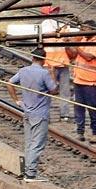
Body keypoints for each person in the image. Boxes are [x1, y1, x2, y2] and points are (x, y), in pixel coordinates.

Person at [6, 48, 57, 181]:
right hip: (40, 114)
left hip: (27, 112)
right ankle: (31, 173)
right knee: (37, 144)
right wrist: (52, 74)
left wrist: (16, 100)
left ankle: (27, 171)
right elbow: (54, 90)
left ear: (32, 58)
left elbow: (10, 83)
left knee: (29, 143)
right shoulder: (44, 73)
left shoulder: (23, 71)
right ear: (44, 59)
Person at [66, 23, 96, 143]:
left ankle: (95, 132)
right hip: (78, 79)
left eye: (85, 28)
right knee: (79, 108)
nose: (82, 30)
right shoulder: (83, 39)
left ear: (93, 29)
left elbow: (88, 57)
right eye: (82, 28)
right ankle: (80, 132)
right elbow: (73, 55)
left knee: (92, 108)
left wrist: (76, 45)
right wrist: (67, 46)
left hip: (91, 82)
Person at [40, 7, 73, 121]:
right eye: (54, 11)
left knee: (63, 91)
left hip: (61, 62)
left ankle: (64, 114)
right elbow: (48, 37)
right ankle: (48, 114)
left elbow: (67, 39)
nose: (57, 12)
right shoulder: (45, 25)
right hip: (50, 63)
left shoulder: (61, 25)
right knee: (49, 91)